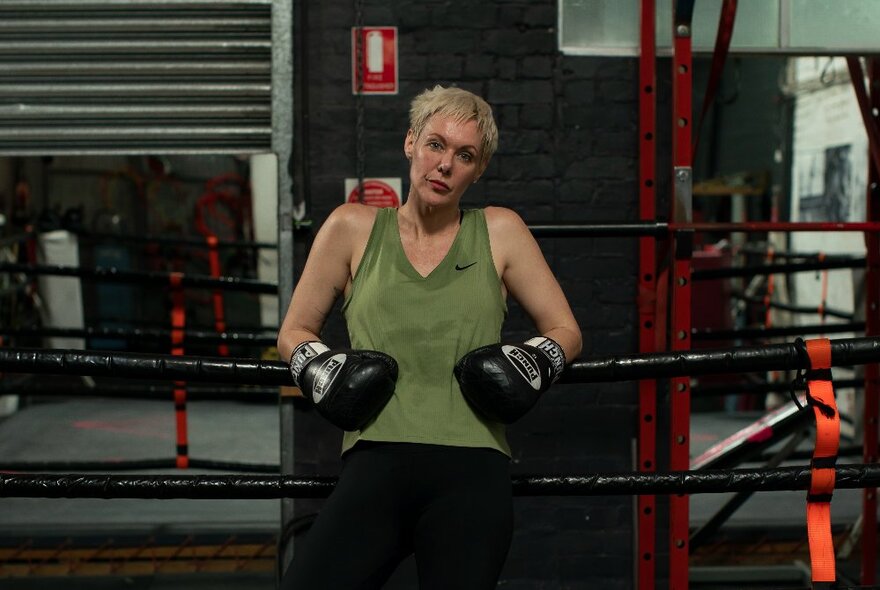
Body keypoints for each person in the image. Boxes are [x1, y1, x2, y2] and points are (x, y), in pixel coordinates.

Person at [276, 84, 582, 589]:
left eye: (465, 155)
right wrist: (322, 367)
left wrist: (532, 360)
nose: (445, 165)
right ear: (410, 143)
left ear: (478, 169)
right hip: (375, 464)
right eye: (436, 144)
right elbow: (294, 331)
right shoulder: (352, 226)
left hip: (473, 472)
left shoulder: (500, 230)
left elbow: (566, 330)